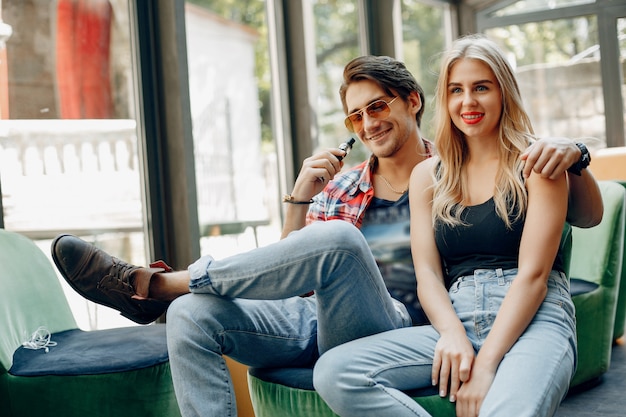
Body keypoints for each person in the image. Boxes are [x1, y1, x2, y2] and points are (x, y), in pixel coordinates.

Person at [51, 54, 600, 417]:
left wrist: (574, 149)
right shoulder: (342, 186)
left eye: (378, 107)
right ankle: (174, 294)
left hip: (392, 320)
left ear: (413, 101)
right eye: (355, 117)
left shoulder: (449, 169)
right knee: (196, 316)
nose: (367, 125)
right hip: (313, 316)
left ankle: (158, 286)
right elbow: (289, 265)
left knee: (339, 240)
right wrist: (298, 198)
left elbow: (565, 209)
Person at [313, 34, 580, 417]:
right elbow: (428, 275)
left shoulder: (537, 163)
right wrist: (453, 334)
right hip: (457, 312)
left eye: (481, 88)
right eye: (456, 90)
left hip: (534, 314)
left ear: (504, 92)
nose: (467, 101)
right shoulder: (429, 175)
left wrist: (485, 364)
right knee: (336, 372)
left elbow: (534, 276)